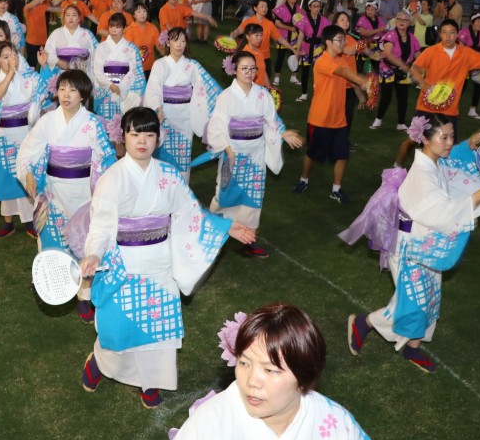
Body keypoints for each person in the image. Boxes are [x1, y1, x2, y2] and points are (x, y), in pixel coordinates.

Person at [79, 107, 257, 408]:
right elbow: (102, 224)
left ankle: (150, 384)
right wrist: (95, 253)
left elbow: (190, 212)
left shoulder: (169, 175)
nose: (142, 141)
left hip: (160, 264)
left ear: (158, 139)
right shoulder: (113, 178)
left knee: (159, 334)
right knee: (118, 332)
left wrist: (226, 226)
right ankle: (98, 362)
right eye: (135, 134)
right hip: (126, 266)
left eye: (149, 134)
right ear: (123, 136)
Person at [347, 117, 480, 372]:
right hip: (411, 247)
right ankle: (364, 323)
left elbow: (452, 161)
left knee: (430, 296)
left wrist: (468, 146)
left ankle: (413, 347)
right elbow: (442, 212)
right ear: (426, 140)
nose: (450, 142)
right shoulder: (422, 175)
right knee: (413, 302)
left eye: (452, 136)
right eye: (444, 137)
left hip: (426, 244)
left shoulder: (433, 160)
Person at [163, 303, 385, 440]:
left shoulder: (336, 424)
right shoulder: (211, 422)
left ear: (304, 377)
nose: (251, 382)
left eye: (270, 370)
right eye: (244, 363)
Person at [17, 69, 116, 321]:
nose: (66, 95)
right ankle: (52, 283)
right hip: (53, 191)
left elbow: (105, 160)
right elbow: (28, 150)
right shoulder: (48, 120)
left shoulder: (93, 123)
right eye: (62, 89)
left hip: (84, 194)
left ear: (83, 95)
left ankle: (84, 295)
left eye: (72, 90)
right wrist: (28, 173)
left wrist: (101, 193)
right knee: (51, 239)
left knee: (84, 244)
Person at [393, 19, 480, 167]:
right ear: (440, 34)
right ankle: (397, 167)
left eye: (452, 32)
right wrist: (423, 83)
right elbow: (415, 67)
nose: (448, 36)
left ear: (457, 34)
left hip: (449, 111)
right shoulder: (431, 51)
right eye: (444, 32)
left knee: (449, 149)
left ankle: (442, 177)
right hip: (426, 107)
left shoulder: (465, 54)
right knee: (411, 141)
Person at [208, 50, 304, 256]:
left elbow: (271, 121)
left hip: (255, 155)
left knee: (253, 197)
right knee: (226, 195)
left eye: (253, 68)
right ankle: (219, 231)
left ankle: (248, 239)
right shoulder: (226, 97)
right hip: (233, 152)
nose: (249, 72)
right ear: (234, 70)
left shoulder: (262, 94)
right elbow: (217, 127)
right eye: (244, 68)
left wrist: (283, 133)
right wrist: (227, 150)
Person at [0, 41, 49, 238]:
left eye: (13, 55)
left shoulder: (27, 77)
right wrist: (9, 74)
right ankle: (8, 221)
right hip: (5, 136)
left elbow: (46, 88)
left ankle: (30, 220)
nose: (11, 59)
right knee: (6, 177)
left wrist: (44, 67)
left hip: (25, 133)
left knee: (27, 174)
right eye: (5, 56)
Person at [294, 26, 371, 202]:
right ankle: (303, 180)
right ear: (328, 42)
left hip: (339, 119)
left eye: (344, 39)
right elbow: (344, 72)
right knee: (312, 154)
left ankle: (336, 189)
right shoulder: (323, 61)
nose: (343, 42)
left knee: (343, 155)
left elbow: (350, 77)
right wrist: (364, 82)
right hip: (320, 119)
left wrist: (362, 94)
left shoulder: (342, 60)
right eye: (339, 39)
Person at [143, 27, 220, 181]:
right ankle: (161, 186)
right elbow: (153, 90)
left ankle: (181, 188)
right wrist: (157, 108)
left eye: (183, 41)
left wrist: (226, 99)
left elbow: (207, 86)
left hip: (185, 117)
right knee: (162, 153)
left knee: (183, 155)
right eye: (175, 40)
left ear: (186, 45)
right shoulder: (160, 64)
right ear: (168, 42)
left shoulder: (192, 65)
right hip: (164, 115)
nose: (179, 44)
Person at [92, 12, 146, 141]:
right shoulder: (101, 47)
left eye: (118, 27)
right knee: (107, 128)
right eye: (111, 26)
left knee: (125, 128)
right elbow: (98, 71)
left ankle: (122, 156)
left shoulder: (131, 48)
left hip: (126, 91)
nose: (114, 30)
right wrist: (111, 85)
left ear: (124, 29)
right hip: (106, 91)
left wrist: (121, 87)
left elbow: (135, 71)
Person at [371, 11, 420, 130]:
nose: (402, 22)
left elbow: (419, 55)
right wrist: (403, 66)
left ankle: (401, 123)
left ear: (409, 23)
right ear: (396, 21)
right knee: (386, 96)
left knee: (403, 96)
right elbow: (387, 54)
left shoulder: (412, 38)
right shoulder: (390, 35)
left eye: (405, 20)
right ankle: (378, 120)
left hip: (404, 72)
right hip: (388, 69)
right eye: (399, 19)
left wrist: (424, 67)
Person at [232, 0, 296, 85]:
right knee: (249, 82)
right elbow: (239, 30)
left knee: (265, 82)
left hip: (265, 57)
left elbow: (280, 38)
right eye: (262, 6)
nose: (265, 8)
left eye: (266, 6)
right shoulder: (248, 21)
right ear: (255, 8)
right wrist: (234, 33)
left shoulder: (269, 24)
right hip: (250, 56)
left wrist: (293, 49)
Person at [276, 0, 326, 100]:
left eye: (319, 6)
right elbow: (301, 35)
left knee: (320, 73)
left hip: (318, 49)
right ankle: (304, 94)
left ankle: (320, 93)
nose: (316, 8)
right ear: (309, 7)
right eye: (314, 6)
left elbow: (326, 35)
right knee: (305, 72)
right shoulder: (304, 19)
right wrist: (297, 51)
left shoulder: (324, 20)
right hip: (306, 47)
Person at [458, 13, 480, 119]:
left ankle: (472, 110)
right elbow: (461, 50)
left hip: (477, 62)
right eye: (478, 21)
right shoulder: (464, 33)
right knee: (460, 86)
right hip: (464, 62)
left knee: (479, 85)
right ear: (472, 22)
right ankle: (452, 107)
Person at [45, 5, 96, 73]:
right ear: (64, 18)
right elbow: (48, 51)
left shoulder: (87, 34)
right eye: (68, 15)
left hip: (82, 73)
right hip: (61, 73)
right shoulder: (56, 33)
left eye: (74, 15)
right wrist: (57, 61)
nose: (71, 18)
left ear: (79, 18)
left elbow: (97, 52)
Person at [123, 2, 162, 80]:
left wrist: (167, 51)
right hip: (135, 68)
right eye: (139, 12)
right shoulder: (129, 30)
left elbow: (159, 46)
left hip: (150, 67)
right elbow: (128, 51)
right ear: (134, 15)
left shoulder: (153, 28)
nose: (142, 14)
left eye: (144, 11)